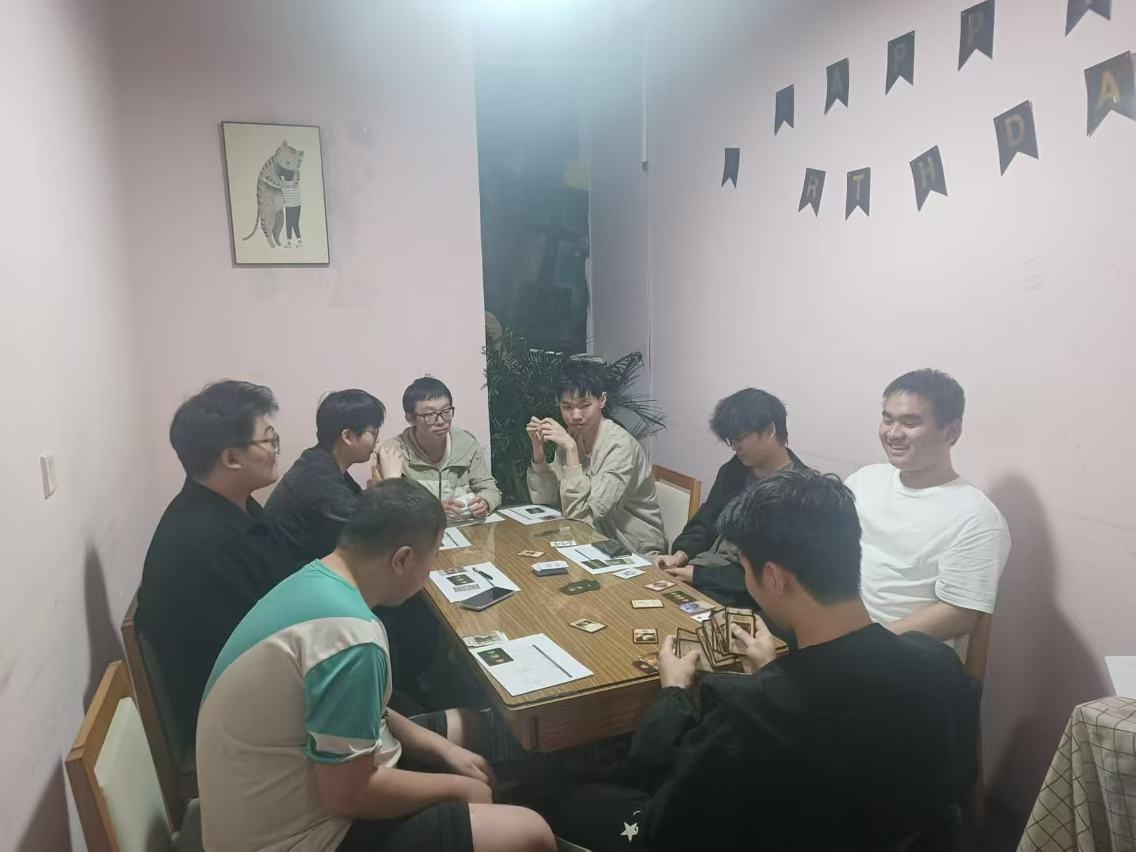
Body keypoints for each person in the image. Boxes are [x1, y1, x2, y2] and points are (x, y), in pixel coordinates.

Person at [551, 470, 980, 851]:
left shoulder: (748, 711)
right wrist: (774, 672)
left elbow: (671, 824)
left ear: (773, 577)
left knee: (560, 793)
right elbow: (952, 790)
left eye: (745, 568)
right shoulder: (940, 665)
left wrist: (674, 693)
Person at [196, 479, 555, 852]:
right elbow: (348, 794)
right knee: (531, 833)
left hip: (286, 794)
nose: (431, 571)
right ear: (402, 560)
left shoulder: (317, 579)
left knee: (471, 727)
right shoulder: (351, 638)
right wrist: (457, 788)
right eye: (432, 557)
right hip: (305, 834)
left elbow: (370, 711)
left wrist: (443, 750)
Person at [137, 380, 298, 748]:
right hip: (239, 727)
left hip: (261, 685)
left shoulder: (232, 505)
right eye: (269, 440)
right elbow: (264, 653)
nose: (276, 450)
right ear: (231, 458)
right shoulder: (208, 545)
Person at [847, 369, 1011, 650]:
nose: (893, 433)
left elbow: (958, 614)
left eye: (910, 423)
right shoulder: (863, 481)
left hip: (902, 656)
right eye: (888, 420)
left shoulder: (978, 518)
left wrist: (860, 645)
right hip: (836, 635)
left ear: (952, 432)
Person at [653, 388, 807, 607]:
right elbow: (706, 520)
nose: (735, 447)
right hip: (700, 575)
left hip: (739, 596)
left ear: (770, 430)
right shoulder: (734, 470)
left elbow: (768, 575)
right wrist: (680, 555)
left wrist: (698, 575)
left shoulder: (800, 492)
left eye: (739, 439)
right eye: (730, 440)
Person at [527, 361, 666, 556]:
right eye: (567, 407)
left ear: (602, 400)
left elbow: (583, 517)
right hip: (593, 541)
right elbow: (546, 498)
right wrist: (539, 452)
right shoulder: (574, 435)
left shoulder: (620, 446)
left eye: (585, 405)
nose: (575, 415)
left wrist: (571, 449)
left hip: (634, 549)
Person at [266, 389, 386, 566]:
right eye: (373, 432)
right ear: (348, 436)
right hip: (292, 577)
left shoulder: (317, 461)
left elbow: (362, 507)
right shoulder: (320, 481)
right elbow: (374, 536)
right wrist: (390, 481)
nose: (377, 440)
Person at [376, 377, 502, 522]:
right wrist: (433, 511)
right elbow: (387, 512)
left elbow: (490, 488)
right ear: (410, 418)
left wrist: (485, 502)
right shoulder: (392, 452)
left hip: (465, 528)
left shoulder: (466, 444)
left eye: (446, 411)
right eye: (430, 415)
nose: (441, 421)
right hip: (420, 532)